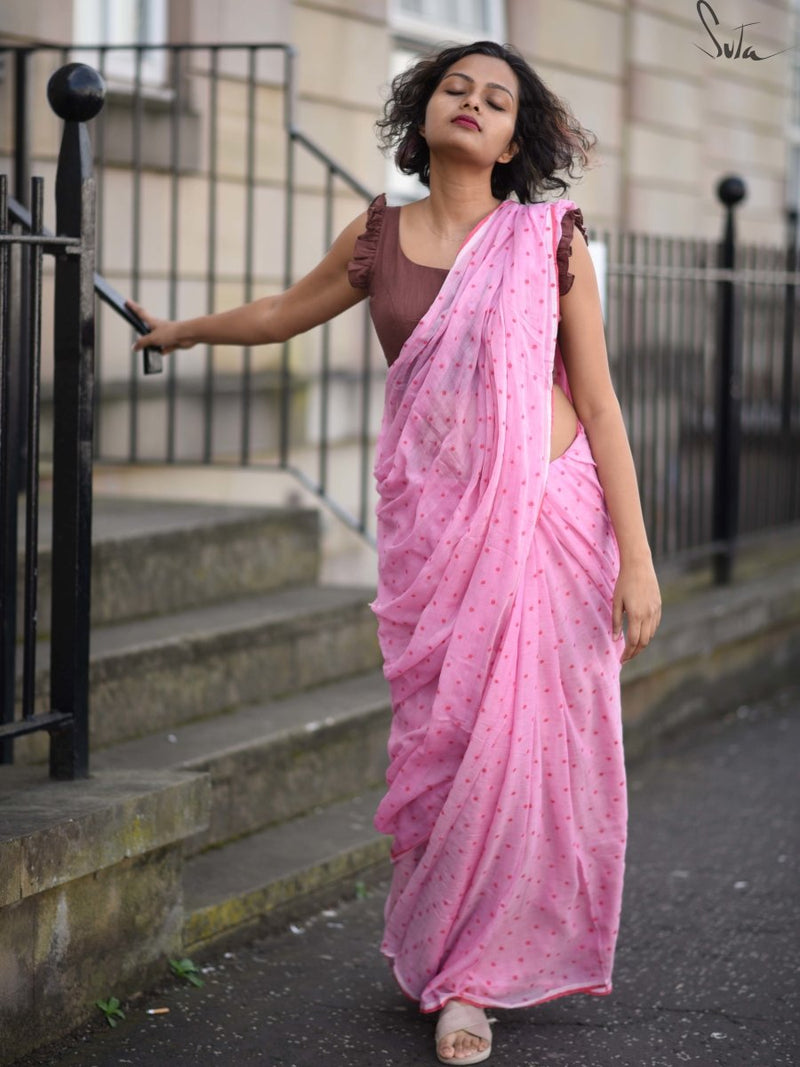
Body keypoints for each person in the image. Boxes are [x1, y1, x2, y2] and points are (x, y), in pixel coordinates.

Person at [131, 39, 661, 1066]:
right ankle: (452, 949)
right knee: (456, 744)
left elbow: (596, 401)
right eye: (453, 87)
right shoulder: (377, 233)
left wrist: (635, 558)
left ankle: (472, 980)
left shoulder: (548, 239)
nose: (472, 102)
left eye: (496, 97)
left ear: (516, 138)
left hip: (549, 519)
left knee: (521, 750)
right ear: (423, 114)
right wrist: (183, 330)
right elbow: (284, 312)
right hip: (439, 538)